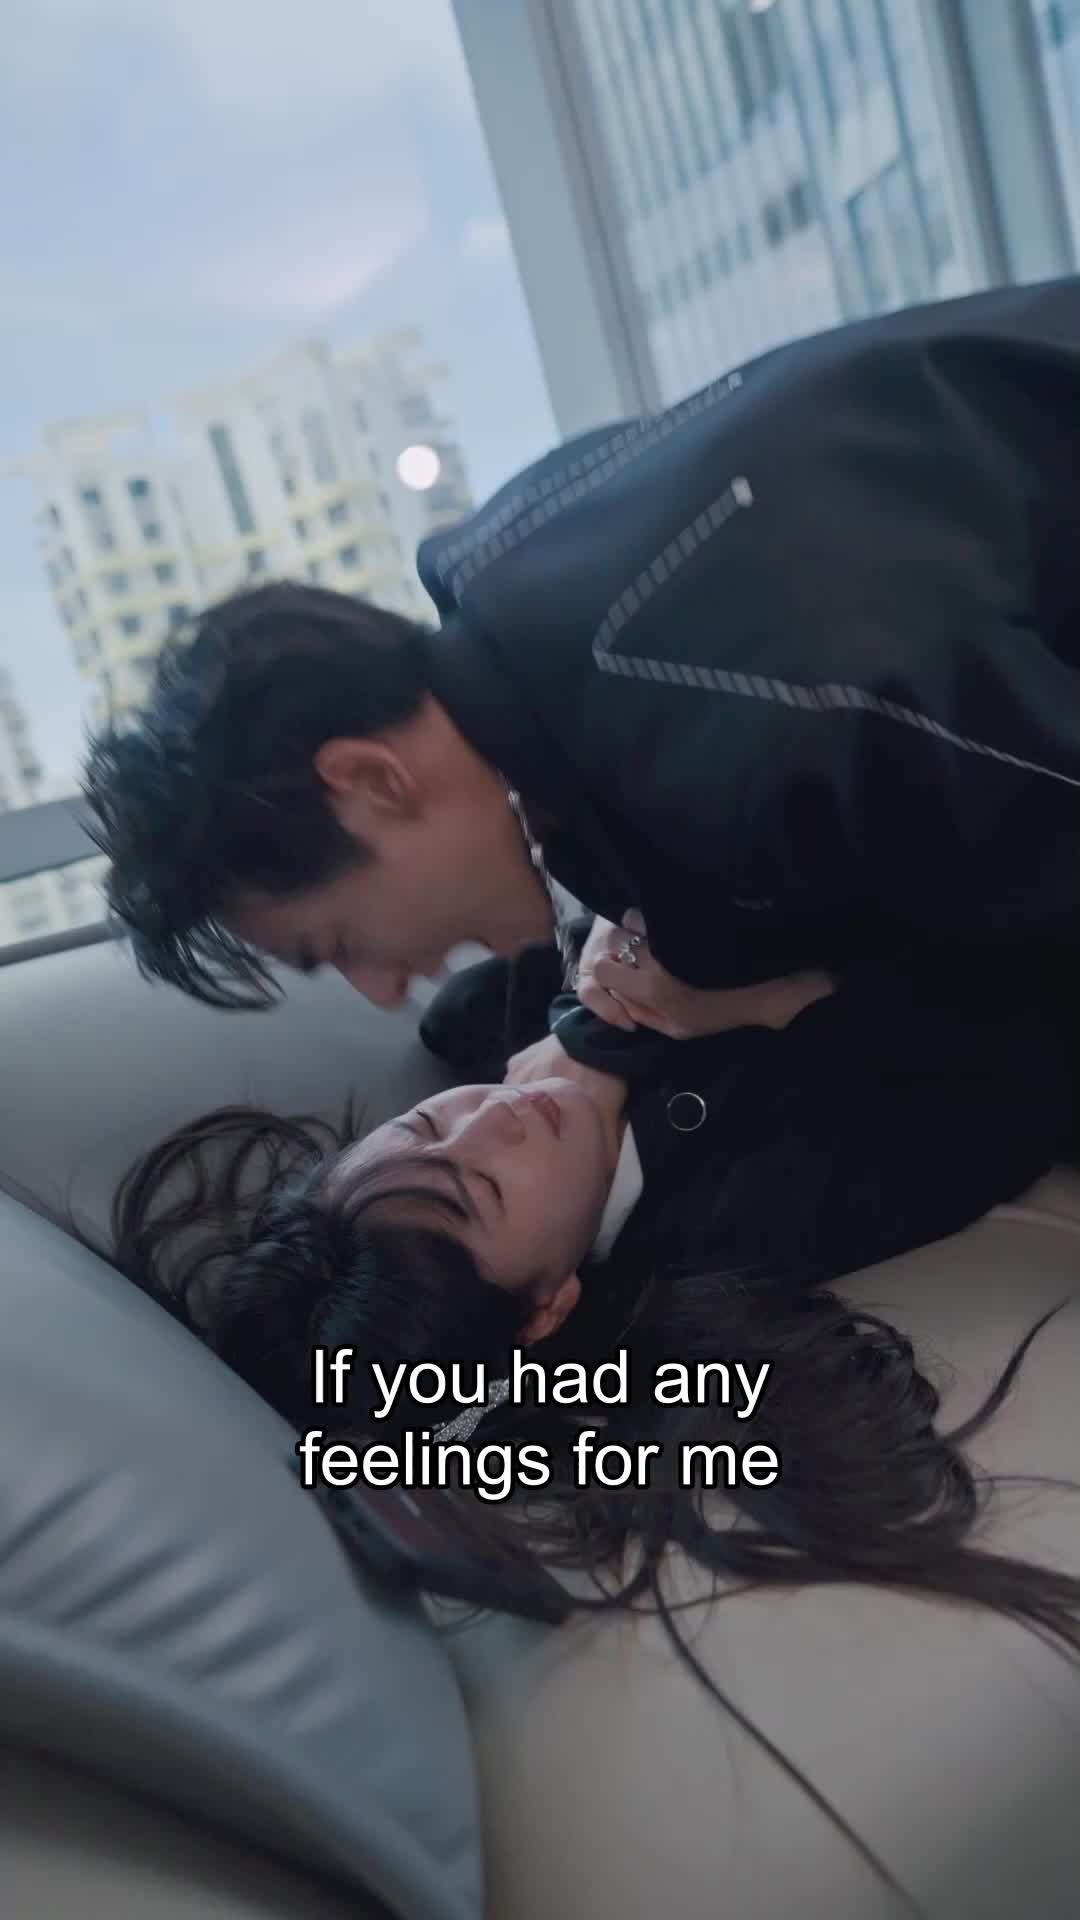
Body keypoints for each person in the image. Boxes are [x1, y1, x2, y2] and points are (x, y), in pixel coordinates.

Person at [81, 277, 1080, 1094]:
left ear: (372, 779)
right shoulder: (513, 553)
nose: (383, 988)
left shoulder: (763, 724)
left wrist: (785, 1001)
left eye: (341, 943)